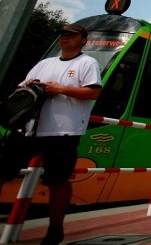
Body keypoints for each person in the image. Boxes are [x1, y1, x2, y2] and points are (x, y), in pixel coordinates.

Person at [0, 23, 102, 245]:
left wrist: (61, 90)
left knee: (58, 182)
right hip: (27, 129)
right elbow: (21, 90)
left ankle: (55, 229)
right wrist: (29, 85)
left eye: (71, 36)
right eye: (63, 35)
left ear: (83, 40)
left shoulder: (87, 63)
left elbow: (94, 91)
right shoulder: (44, 64)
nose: (65, 38)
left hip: (63, 132)